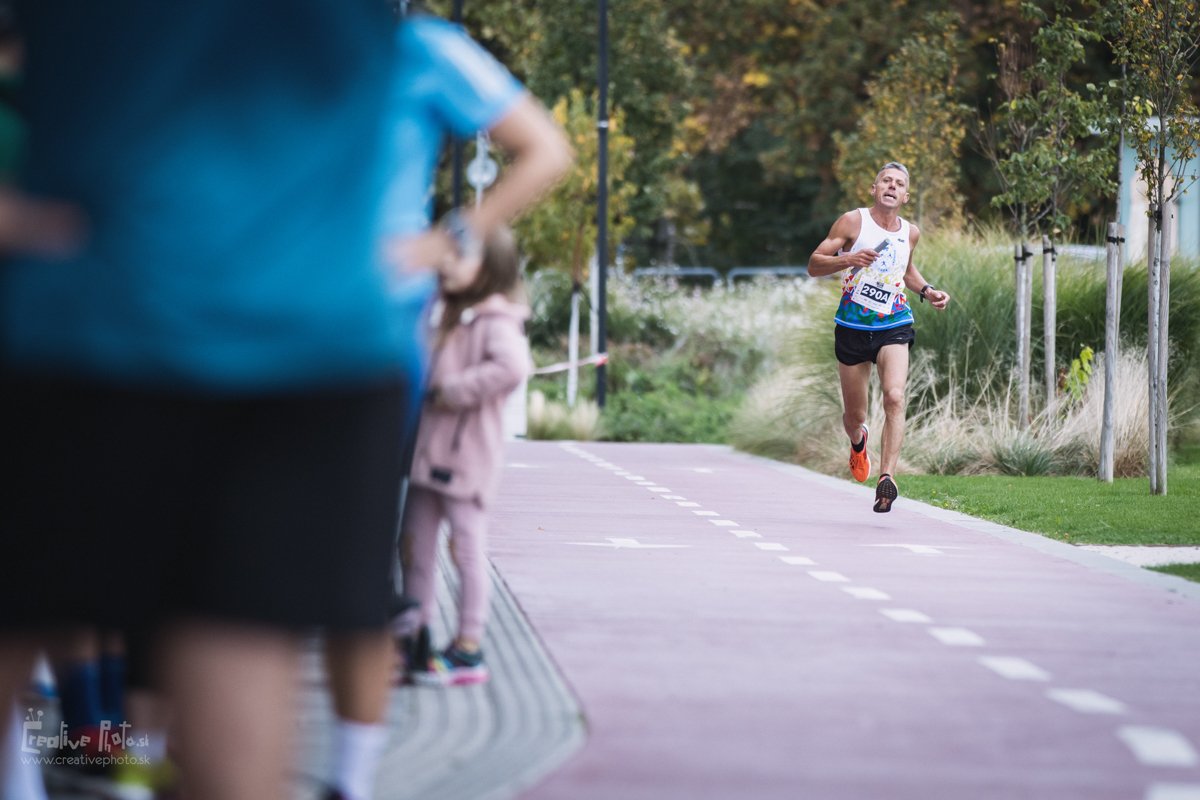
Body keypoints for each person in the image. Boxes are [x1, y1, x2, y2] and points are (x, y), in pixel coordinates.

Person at [0, 4, 415, 800]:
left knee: (63, 626)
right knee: (220, 646)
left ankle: (100, 757)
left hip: (102, 301)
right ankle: (103, 756)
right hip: (303, 309)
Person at [316, 12, 570, 800]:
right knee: (381, 553)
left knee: (375, 558)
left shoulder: (413, 46)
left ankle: (447, 659)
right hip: (264, 324)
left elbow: (547, 148)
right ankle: (424, 640)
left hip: (368, 341)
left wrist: (448, 237)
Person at [394, 226, 531, 686]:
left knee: (466, 550)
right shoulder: (444, 314)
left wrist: (452, 391)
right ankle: (413, 639)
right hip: (425, 455)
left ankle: (469, 647)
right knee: (414, 547)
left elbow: (513, 367)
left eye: (460, 257)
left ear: (489, 268)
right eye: (446, 256)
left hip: (466, 458)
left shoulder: (494, 321)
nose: (447, 264)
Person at [807, 162, 950, 512]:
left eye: (899, 183)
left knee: (895, 396)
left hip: (894, 323)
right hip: (852, 328)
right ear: (874, 189)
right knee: (854, 417)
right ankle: (858, 442)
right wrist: (848, 259)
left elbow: (905, 270)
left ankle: (887, 477)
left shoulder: (910, 232)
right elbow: (813, 264)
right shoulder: (852, 222)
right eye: (886, 180)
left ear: (905, 195)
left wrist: (927, 290)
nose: (892, 186)